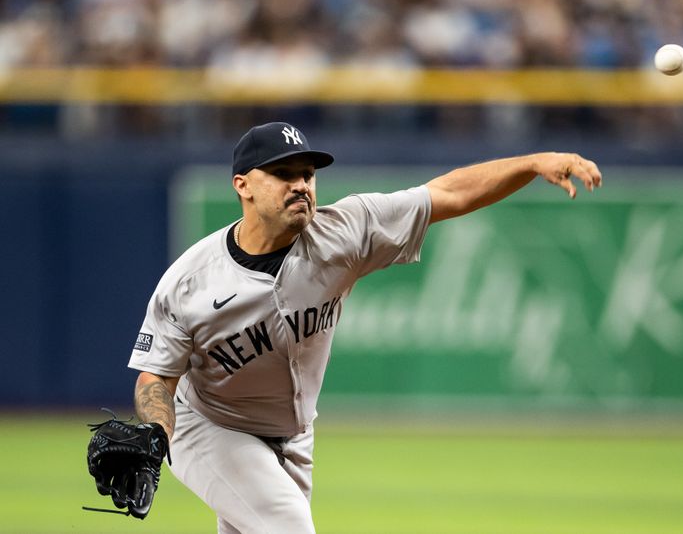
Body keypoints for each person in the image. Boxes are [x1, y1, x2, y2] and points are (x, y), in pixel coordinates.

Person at [127, 121, 602, 533]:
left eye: (308, 174)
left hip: (295, 434)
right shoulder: (190, 283)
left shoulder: (345, 230)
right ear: (243, 186)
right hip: (212, 426)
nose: (301, 185)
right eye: (283, 174)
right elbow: (156, 377)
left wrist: (533, 163)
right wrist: (155, 434)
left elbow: (448, 193)